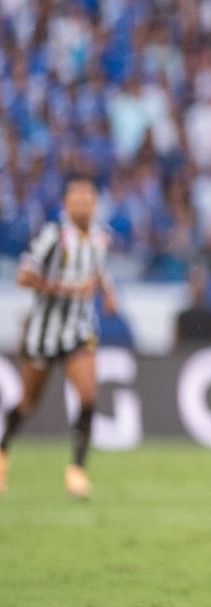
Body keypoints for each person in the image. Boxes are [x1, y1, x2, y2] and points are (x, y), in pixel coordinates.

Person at [0, 174, 119, 498]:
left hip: (80, 331)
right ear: (66, 204)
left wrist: (108, 293)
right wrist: (66, 289)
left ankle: (77, 471)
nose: (82, 206)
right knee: (28, 402)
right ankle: (3, 451)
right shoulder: (53, 236)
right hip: (43, 332)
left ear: (95, 204)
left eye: (88, 200)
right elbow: (24, 276)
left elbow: (97, 270)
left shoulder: (100, 238)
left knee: (88, 397)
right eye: (76, 200)